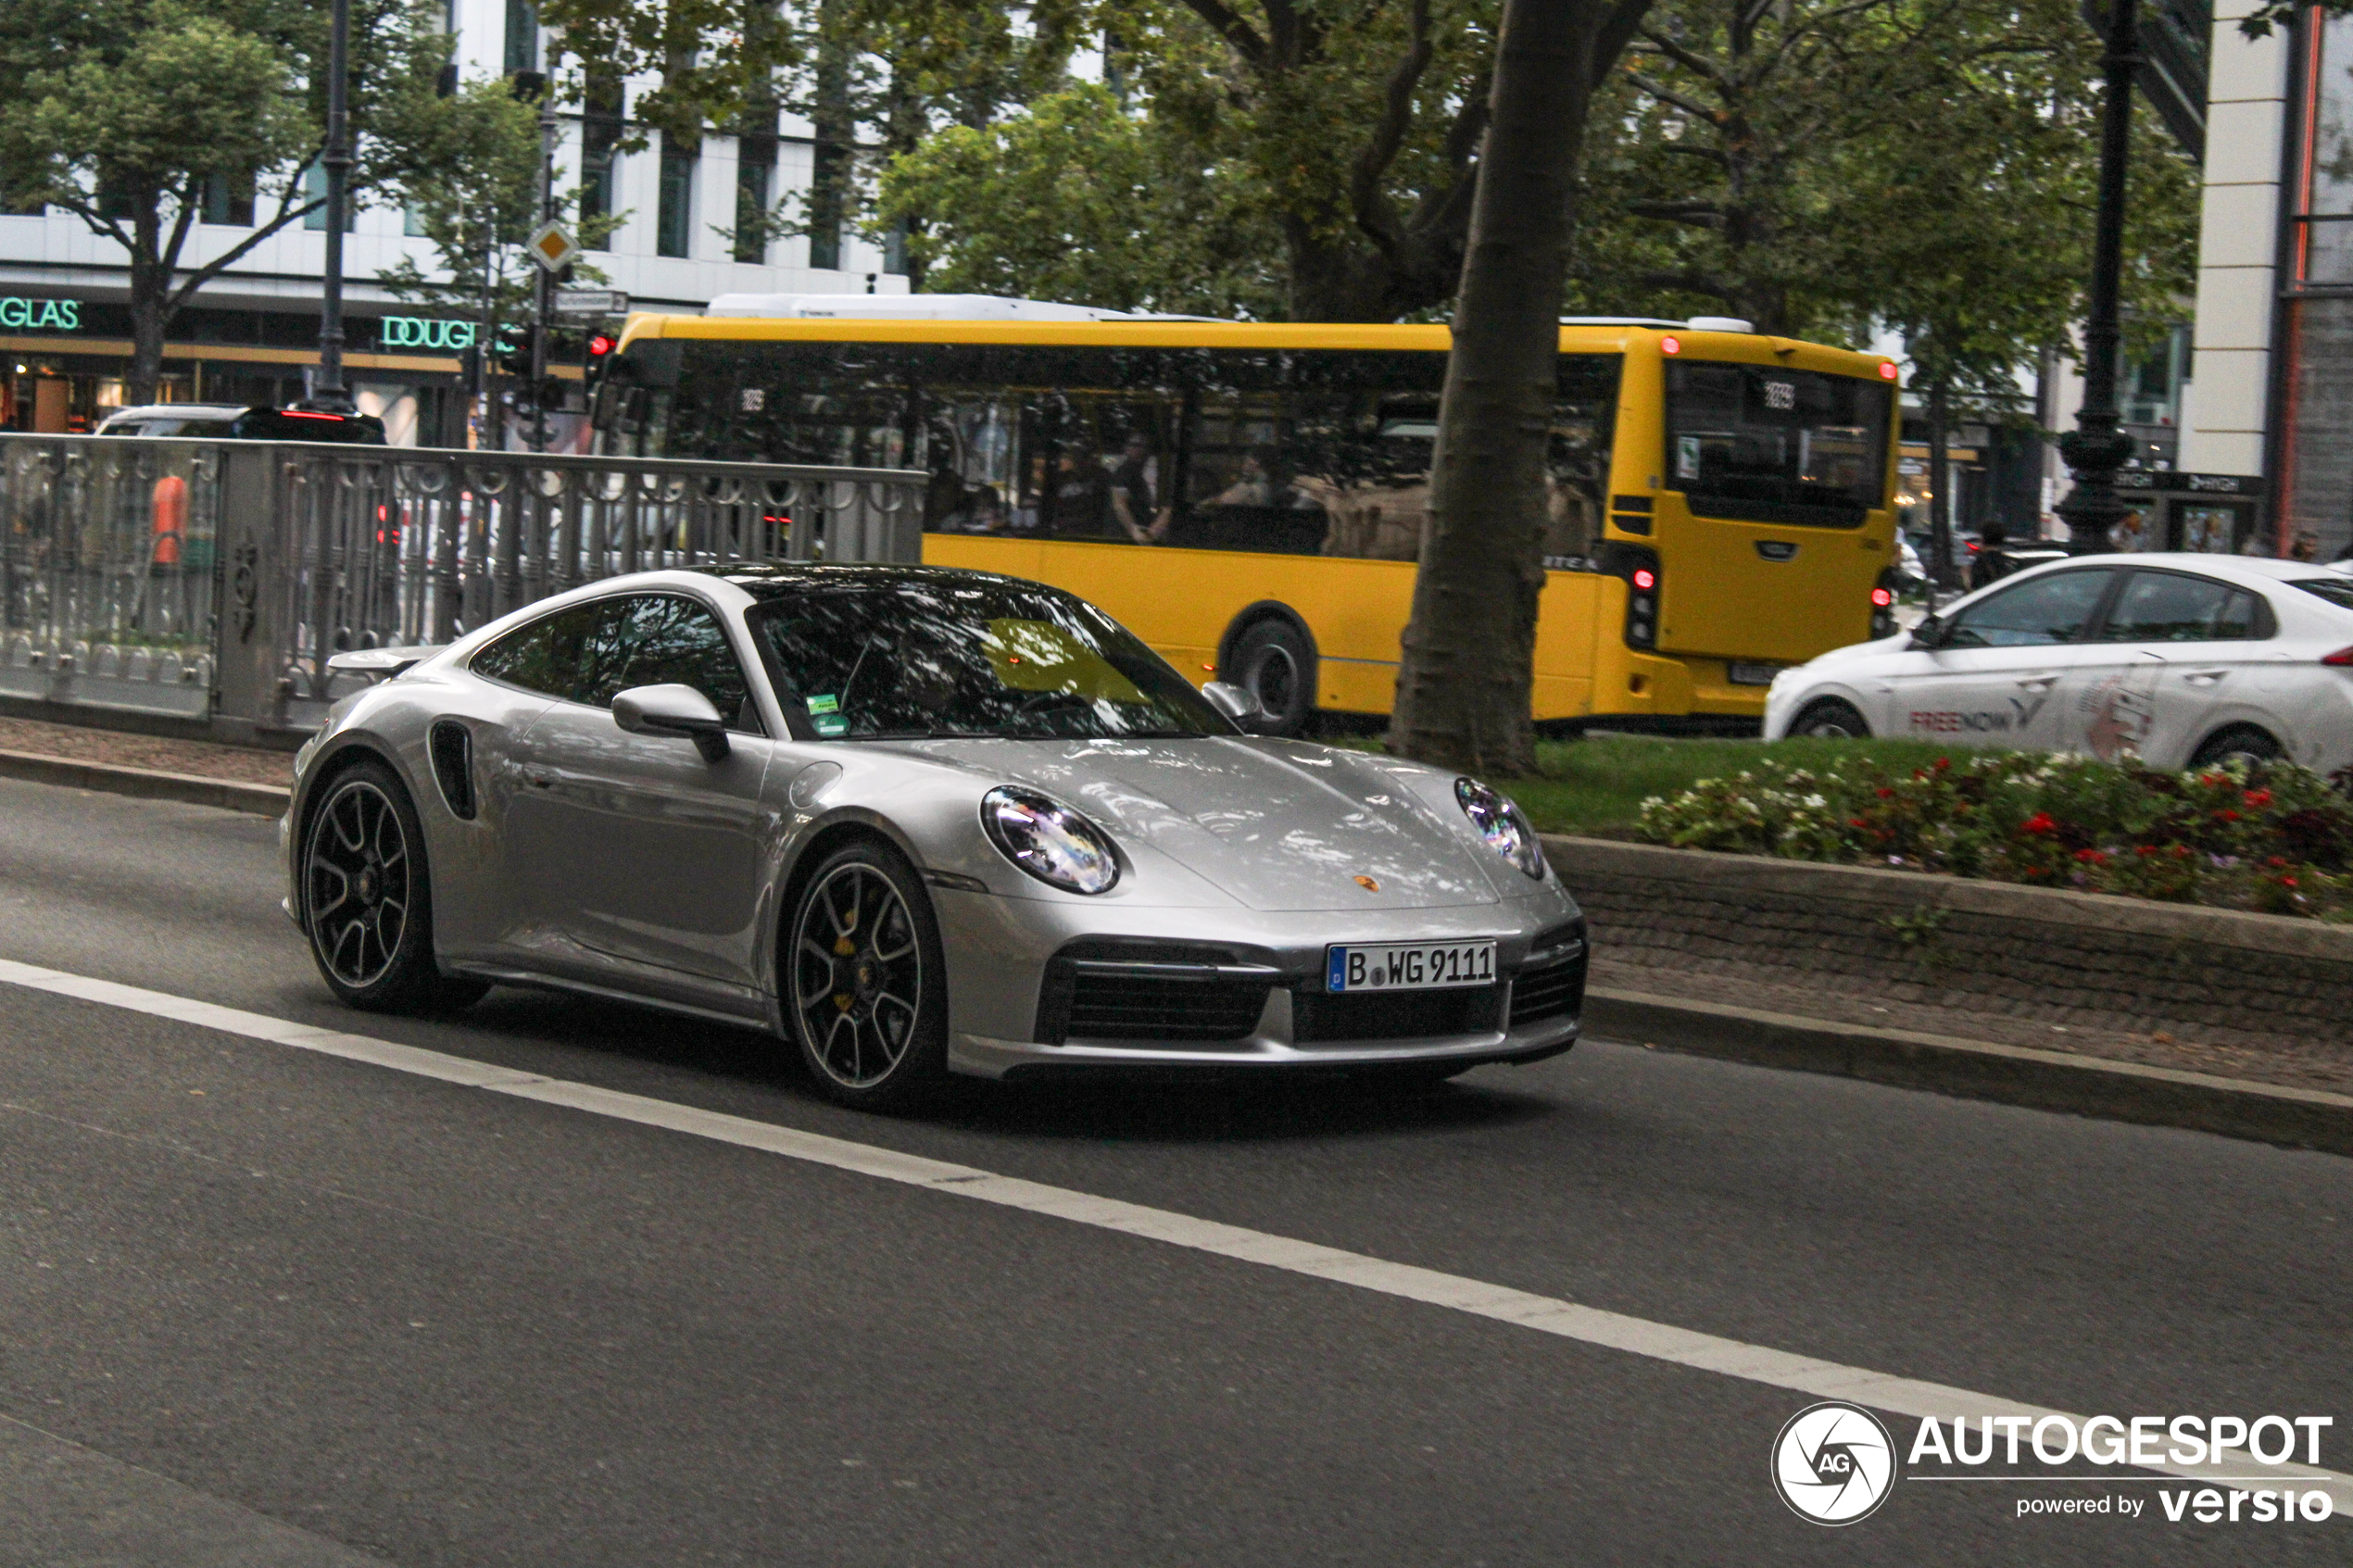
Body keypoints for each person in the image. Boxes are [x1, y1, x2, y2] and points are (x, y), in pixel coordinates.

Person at [1109, 431, 1169, 543]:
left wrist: (1151, 533)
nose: (1139, 449)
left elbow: (1167, 508)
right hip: (1126, 537)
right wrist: (1134, 531)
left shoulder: (1159, 471)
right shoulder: (1123, 472)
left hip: (1149, 536)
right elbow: (1119, 505)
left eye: (1143, 446)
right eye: (1134, 445)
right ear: (1126, 447)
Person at [1968, 520, 2017, 590]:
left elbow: (1979, 591)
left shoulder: (1981, 563)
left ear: (1983, 539)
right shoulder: (2009, 562)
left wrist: (1966, 580)